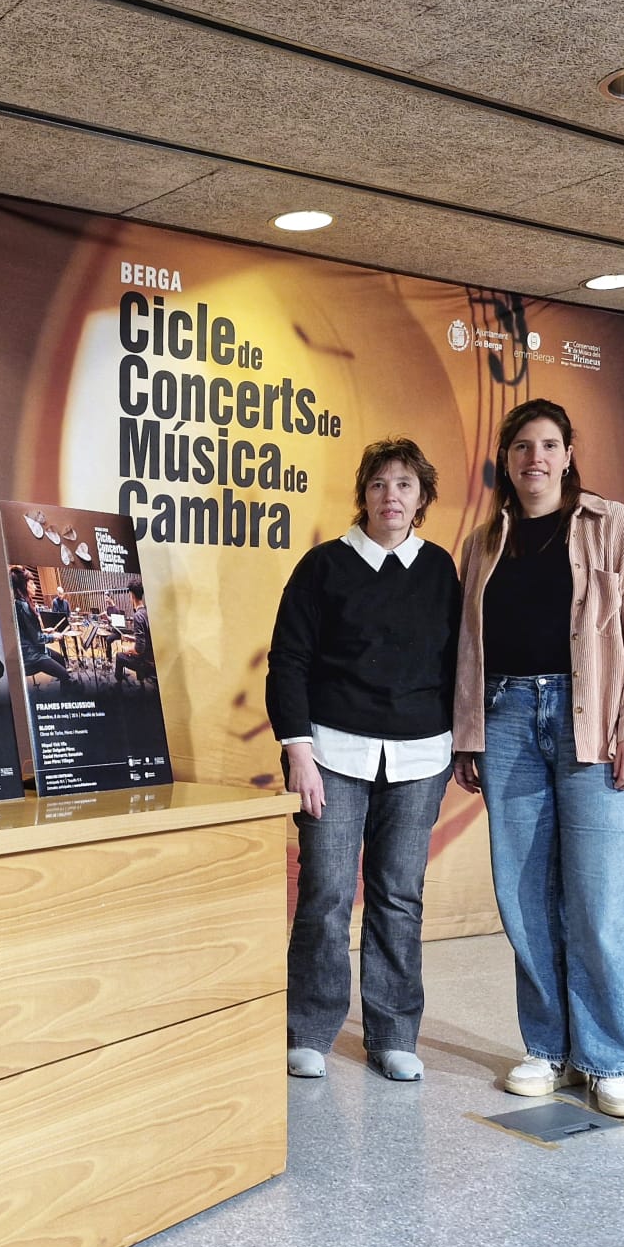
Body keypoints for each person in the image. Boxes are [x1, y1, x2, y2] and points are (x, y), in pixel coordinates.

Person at [453, 398, 624, 1120]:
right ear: (505, 460)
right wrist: (469, 734)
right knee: (523, 900)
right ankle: (546, 1048)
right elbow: (468, 649)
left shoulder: (615, 527)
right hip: (509, 720)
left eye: (547, 444)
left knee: (601, 900)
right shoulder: (483, 542)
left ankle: (606, 1060)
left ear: (569, 453)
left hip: (598, 725)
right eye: (520, 446)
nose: (533, 458)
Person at [266, 438, 459, 1084]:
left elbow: (456, 667)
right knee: (323, 892)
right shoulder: (322, 566)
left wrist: (463, 749)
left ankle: (393, 1034)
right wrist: (297, 749)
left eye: (404, 484)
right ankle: (310, 1030)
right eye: (378, 484)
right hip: (333, 754)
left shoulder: (438, 570)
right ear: (363, 494)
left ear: (421, 498)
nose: (390, 497)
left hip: (419, 757)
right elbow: (287, 661)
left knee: (398, 897)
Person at [11, 566, 72, 690]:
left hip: (34, 649)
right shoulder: (23, 607)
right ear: (24, 586)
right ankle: (65, 696)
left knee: (60, 658)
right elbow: (38, 639)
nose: (36, 587)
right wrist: (53, 636)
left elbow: (27, 631)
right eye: (32, 583)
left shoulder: (20, 603)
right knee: (65, 674)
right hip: (32, 656)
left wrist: (44, 630)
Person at [113, 580, 155, 687]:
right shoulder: (147, 612)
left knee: (119, 656)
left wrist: (129, 650)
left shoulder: (138, 616)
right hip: (152, 657)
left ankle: (118, 684)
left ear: (131, 595)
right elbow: (146, 638)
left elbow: (139, 649)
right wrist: (131, 638)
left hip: (146, 662)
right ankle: (141, 683)